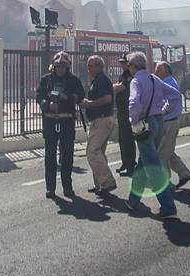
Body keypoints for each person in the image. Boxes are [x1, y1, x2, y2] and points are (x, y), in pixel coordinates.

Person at [126, 51, 180, 219]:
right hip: (158, 122)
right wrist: (163, 111)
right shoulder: (154, 79)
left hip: (144, 124)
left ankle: (168, 205)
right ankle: (133, 200)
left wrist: (133, 120)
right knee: (144, 162)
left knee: (152, 167)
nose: (128, 68)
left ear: (133, 66)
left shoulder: (136, 81)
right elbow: (175, 95)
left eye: (128, 65)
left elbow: (134, 103)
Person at [36, 51, 85, 198]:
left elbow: (80, 97)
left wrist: (67, 98)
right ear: (53, 66)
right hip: (50, 122)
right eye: (58, 66)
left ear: (68, 67)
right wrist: (47, 105)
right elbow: (39, 97)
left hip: (67, 121)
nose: (61, 69)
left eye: (64, 66)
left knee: (67, 156)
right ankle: (50, 188)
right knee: (50, 156)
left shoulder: (74, 81)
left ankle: (67, 187)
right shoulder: (45, 80)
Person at [81, 55, 117, 196]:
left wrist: (90, 104)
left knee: (92, 151)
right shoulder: (98, 80)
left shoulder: (102, 80)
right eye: (88, 65)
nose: (88, 68)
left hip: (101, 120)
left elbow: (107, 98)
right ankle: (100, 184)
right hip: (101, 119)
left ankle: (107, 182)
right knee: (99, 152)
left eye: (90, 66)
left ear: (98, 66)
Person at [153, 61, 190, 189]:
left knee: (162, 154)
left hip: (168, 122)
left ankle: (165, 183)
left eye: (158, 70)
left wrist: (161, 112)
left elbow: (170, 103)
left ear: (166, 71)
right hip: (170, 122)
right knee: (168, 151)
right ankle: (183, 172)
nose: (156, 73)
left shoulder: (168, 84)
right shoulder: (169, 82)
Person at [113, 56, 137, 176]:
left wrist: (111, 87)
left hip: (127, 110)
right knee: (122, 139)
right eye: (121, 63)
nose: (122, 65)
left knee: (128, 139)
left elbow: (119, 87)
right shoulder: (123, 75)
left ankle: (131, 165)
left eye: (124, 63)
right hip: (121, 110)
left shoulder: (130, 76)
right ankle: (125, 162)